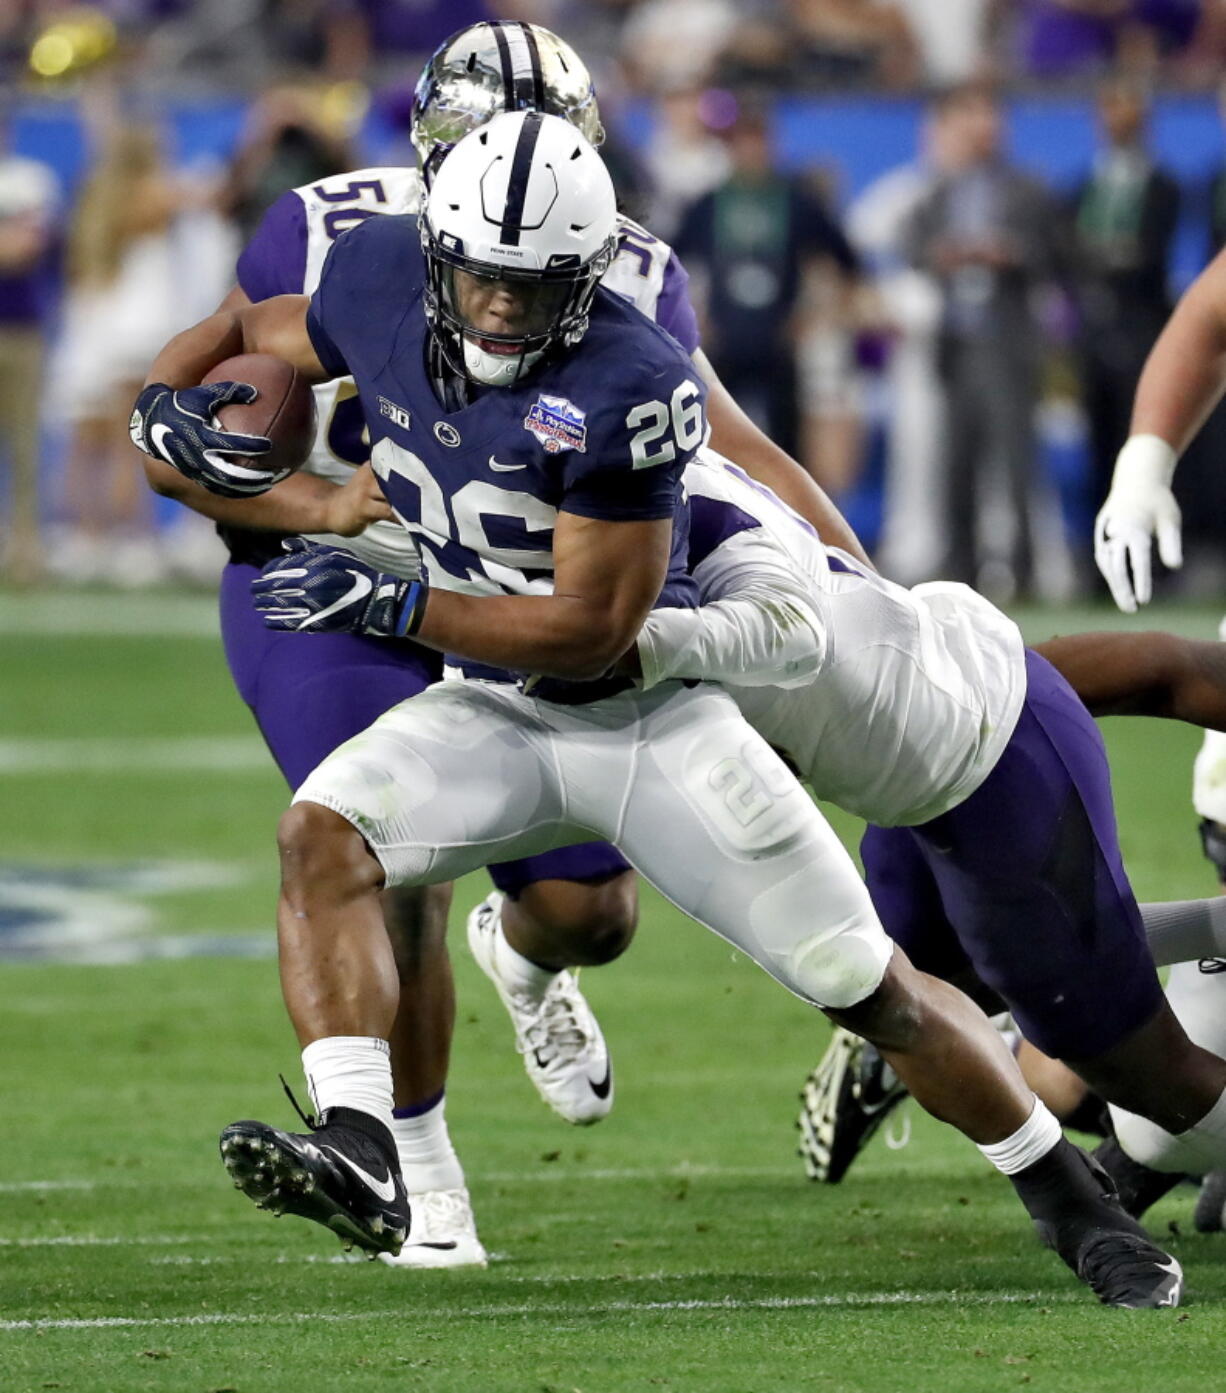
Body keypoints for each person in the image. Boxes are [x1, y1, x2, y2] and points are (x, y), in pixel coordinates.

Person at [131, 111, 1180, 1309]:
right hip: (495, 709)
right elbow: (251, 331)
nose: (503, 311)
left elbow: (591, 630)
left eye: (536, 287)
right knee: (321, 834)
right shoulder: (376, 269)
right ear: (435, 254)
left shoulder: (628, 382)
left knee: (865, 984)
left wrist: (398, 602)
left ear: (585, 277)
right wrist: (165, 397)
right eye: (481, 277)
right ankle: (365, 1142)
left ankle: (1071, 1204)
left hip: (645, 720)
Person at [139, 20, 866, 1268]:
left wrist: (854, 579)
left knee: (589, 912)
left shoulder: (620, 269)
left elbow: (730, 443)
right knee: (377, 852)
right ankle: (411, 1179)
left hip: (528, 601)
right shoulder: (330, 232)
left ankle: (523, 962)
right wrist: (313, 506)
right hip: (336, 586)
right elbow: (196, 432)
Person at [905, 82, 1065, 596]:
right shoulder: (943, 190)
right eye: (969, 118)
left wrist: (1010, 254)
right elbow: (914, 248)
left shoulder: (1027, 188)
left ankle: (1025, 573)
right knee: (957, 466)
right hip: (957, 342)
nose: (980, 129)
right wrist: (943, 256)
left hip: (1007, 341)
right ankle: (962, 574)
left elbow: (1055, 256)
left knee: (1016, 464)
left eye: (988, 117)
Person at [1071, 77, 1178, 563]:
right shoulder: (1082, 187)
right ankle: (1103, 555)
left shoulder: (1164, 187)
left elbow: (1150, 256)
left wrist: (1107, 256)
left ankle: (1156, 556)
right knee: (1098, 445)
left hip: (1143, 331)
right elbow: (1071, 254)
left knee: (1144, 441)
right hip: (1093, 332)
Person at [0, 101, 58, 584]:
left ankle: (25, 553)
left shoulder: (28, 179)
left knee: (23, 446)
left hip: (19, 328)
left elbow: (28, 248)